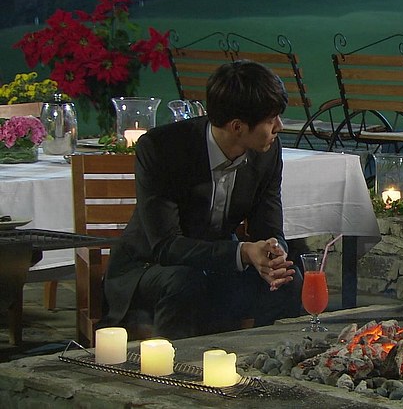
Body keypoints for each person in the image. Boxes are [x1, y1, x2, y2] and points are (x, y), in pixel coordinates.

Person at [101, 60, 302, 339]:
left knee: (287, 280)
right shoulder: (162, 149)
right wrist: (244, 252)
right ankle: (179, 363)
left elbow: (268, 225)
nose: (279, 126)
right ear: (237, 127)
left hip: (217, 267)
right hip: (150, 267)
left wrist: (273, 252)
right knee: (186, 282)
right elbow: (166, 246)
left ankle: (264, 357)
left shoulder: (267, 151)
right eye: (271, 120)